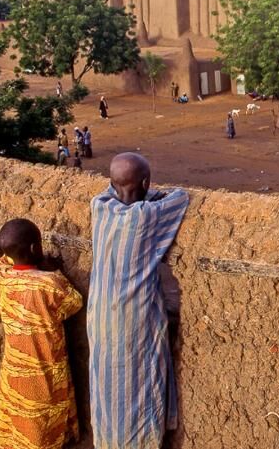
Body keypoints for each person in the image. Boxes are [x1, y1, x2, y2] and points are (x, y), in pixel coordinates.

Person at [87, 154, 190, 449]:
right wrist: (151, 191)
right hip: (133, 320)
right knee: (139, 384)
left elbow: (114, 189)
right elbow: (180, 198)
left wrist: (140, 188)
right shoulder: (144, 217)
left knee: (108, 386)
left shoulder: (100, 207)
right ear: (145, 182)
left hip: (101, 316)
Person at [0, 219, 83, 449]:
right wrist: (52, 268)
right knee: (42, 415)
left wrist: (22, 256)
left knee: (18, 410)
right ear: (34, 248)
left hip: (14, 364)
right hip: (44, 366)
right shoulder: (51, 283)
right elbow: (74, 303)